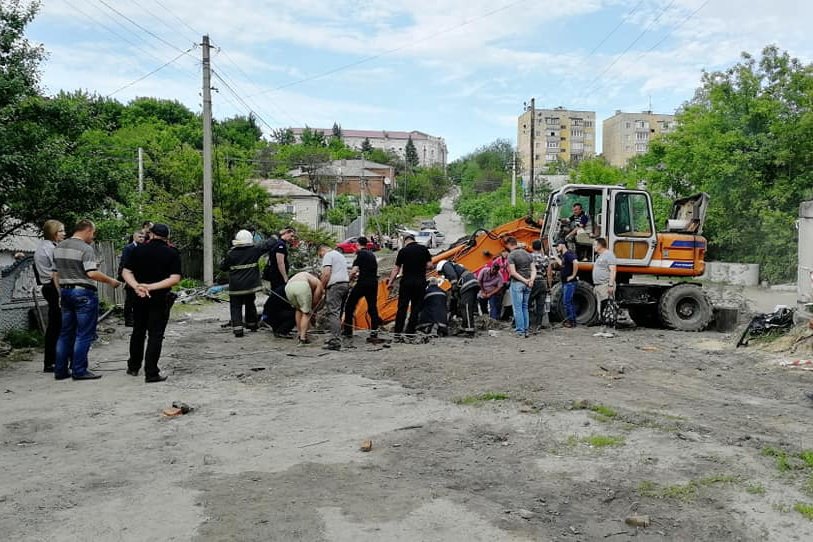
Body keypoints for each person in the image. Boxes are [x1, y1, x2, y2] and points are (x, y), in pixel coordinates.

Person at [53, 219, 121, 381]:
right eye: (93, 233)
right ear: (88, 230)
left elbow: (55, 273)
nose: (93, 236)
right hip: (83, 293)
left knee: (65, 334)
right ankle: (79, 370)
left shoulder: (59, 247)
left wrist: (60, 294)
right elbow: (91, 273)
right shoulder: (85, 248)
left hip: (65, 292)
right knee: (84, 334)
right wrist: (111, 281)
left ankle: (60, 370)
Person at [121, 223, 181, 383]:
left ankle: (133, 366)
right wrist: (152, 287)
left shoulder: (137, 250)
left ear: (151, 234)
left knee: (138, 331)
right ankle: (151, 372)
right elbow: (174, 278)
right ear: (167, 236)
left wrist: (137, 286)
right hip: (160, 298)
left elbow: (126, 272)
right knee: (155, 334)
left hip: (138, 297)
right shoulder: (172, 252)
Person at [220, 230, 273, 337]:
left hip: (236, 287)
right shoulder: (254, 250)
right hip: (250, 286)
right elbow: (268, 244)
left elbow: (222, 267)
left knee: (236, 307)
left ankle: (238, 330)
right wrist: (276, 236)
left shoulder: (231, 253)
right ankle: (252, 325)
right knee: (250, 304)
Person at [387, 233, 432, 342]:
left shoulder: (403, 251)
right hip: (420, 282)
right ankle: (410, 333)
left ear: (405, 241)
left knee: (402, 308)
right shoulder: (423, 249)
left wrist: (390, 282)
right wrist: (421, 266)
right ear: (414, 239)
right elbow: (430, 266)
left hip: (406, 282)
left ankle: (397, 334)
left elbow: (396, 269)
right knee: (416, 308)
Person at [33, 219, 65, 373]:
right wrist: (60, 294)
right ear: (53, 233)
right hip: (53, 287)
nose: (64, 234)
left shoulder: (42, 247)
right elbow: (56, 273)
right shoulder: (52, 249)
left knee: (56, 325)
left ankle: (52, 360)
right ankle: (52, 361)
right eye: (61, 231)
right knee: (57, 326)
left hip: (47, 287)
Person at [342, 236, 381, 341]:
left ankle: (347, 331)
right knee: (372, 307)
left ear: (357, 244)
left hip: (363, 283)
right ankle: (374, 332)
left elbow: (354, 271)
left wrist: (348, 280)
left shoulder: (360, 254)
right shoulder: (371, 254)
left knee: (349, 306)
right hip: (373, 283)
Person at [318, 243, 350, 350]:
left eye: (320, 255)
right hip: (345, 284)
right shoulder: (340, 255)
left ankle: (335, 341)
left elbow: (326, 273)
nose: (321, 257)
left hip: (335, 286)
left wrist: (321, 287)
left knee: (333, 312)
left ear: (322, 250)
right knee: (339, 312)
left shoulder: (328, 255)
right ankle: (336, 336)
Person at [437, 259, 480, 337]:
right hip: (471, 283)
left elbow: (452, 276)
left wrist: (454, 286)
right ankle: (464, 327)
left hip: (468, 283)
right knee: (464, 306)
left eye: (442, 273)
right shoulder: (455, 266)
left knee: (466, 306)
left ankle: (469, 330)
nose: (444, 275)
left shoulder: (446, 265)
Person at [505, 237, 536, 337]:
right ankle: (526, 330)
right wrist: (530, 280)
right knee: (525, 307)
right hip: (528, 284)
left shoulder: (511, 255)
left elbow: (513, 272)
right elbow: (534, 270)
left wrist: (524, 280)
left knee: (517, 308)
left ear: (509, 244)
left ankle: (520, 331)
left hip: (518, 283)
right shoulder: (528, 254)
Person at [284, 271, 324, 345]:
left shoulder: (304, 275)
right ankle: (303, 338)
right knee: (306, 313)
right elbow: (316, 301)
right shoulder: (318, 282)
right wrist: (313, 314)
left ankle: (300, 333)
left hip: (288, 287)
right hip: (302, 286)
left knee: (298, 310)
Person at [118, 229, 146, 327]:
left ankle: (138, 319)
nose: (142, 239)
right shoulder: (129, 248)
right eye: (140, 237)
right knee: (130, 300)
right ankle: (128, 320)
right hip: (130, 276)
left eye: (143, 237)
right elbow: (125, 263)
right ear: (134, 237)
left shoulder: (144, 247)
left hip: (141, 277)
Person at [591, 237, 618, 338]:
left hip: (605, 285)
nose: (593, 247)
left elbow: (613, 270)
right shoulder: (600, 256)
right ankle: (603, 329)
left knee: (608, 307)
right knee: (601, 308)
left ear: (599, 245)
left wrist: (610, 284)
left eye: (594, 245)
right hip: (599, 286)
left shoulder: (609, 255)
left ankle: (610, 329)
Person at [529, 240, 553, 331]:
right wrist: (549, 286)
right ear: (541, 248)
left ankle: (531, 324)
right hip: (542, 282)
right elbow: (549, 273)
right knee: (540, 305)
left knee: (529, 304)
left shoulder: (529, 257)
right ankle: (539, 324)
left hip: (533, 281)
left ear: (532, 247)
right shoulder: (546, 258)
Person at [555, 241, 579, 327]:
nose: (556, 248)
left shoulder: (568, 254)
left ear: (562, 245)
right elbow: (562, 264)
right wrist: (555, 257)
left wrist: (573, 275)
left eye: (557, 246)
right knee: (569, 302)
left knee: (567, 302)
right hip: (566, 282)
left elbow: (576, 262)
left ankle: (571, 321)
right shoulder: (565, 256)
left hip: (570, 283)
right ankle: (572, 321)